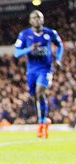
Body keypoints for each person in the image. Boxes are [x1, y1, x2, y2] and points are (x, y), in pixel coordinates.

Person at [14, 10, 64, 139]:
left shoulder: (50, 33)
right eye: (34, 18)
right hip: (31, 71)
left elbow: (60, 45)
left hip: (45, 69)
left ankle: (42, 123)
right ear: (30, 21)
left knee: (40, 91)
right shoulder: (24, 34)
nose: (37, 20)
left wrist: (58, 58)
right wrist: (29, 49)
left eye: (39, 17)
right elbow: (17, 53)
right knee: (35, 97)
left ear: (42, 19)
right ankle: (43, 120)